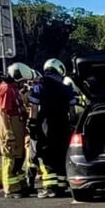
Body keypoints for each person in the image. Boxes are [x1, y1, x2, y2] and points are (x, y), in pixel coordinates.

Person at [27, 58, 77, 198]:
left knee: (47, 155)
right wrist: (72, 123)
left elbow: (34, 108)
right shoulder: (66, 88)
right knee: (61, 154)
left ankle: (50, 188)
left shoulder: (39, 87)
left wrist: (32, 124)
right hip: (63, 125)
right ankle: (61, 185)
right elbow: (72, 111)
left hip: (46, 126)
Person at [0, 63, 32, 198]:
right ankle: (10, 189)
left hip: (18, 126)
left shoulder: (14, 89)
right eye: (22, 81)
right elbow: (3, 112)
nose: (24, 84)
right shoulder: (6, 89)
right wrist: (8, 132)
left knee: (19, 157)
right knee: (10, 158)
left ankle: (20, 185)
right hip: (11, 126)